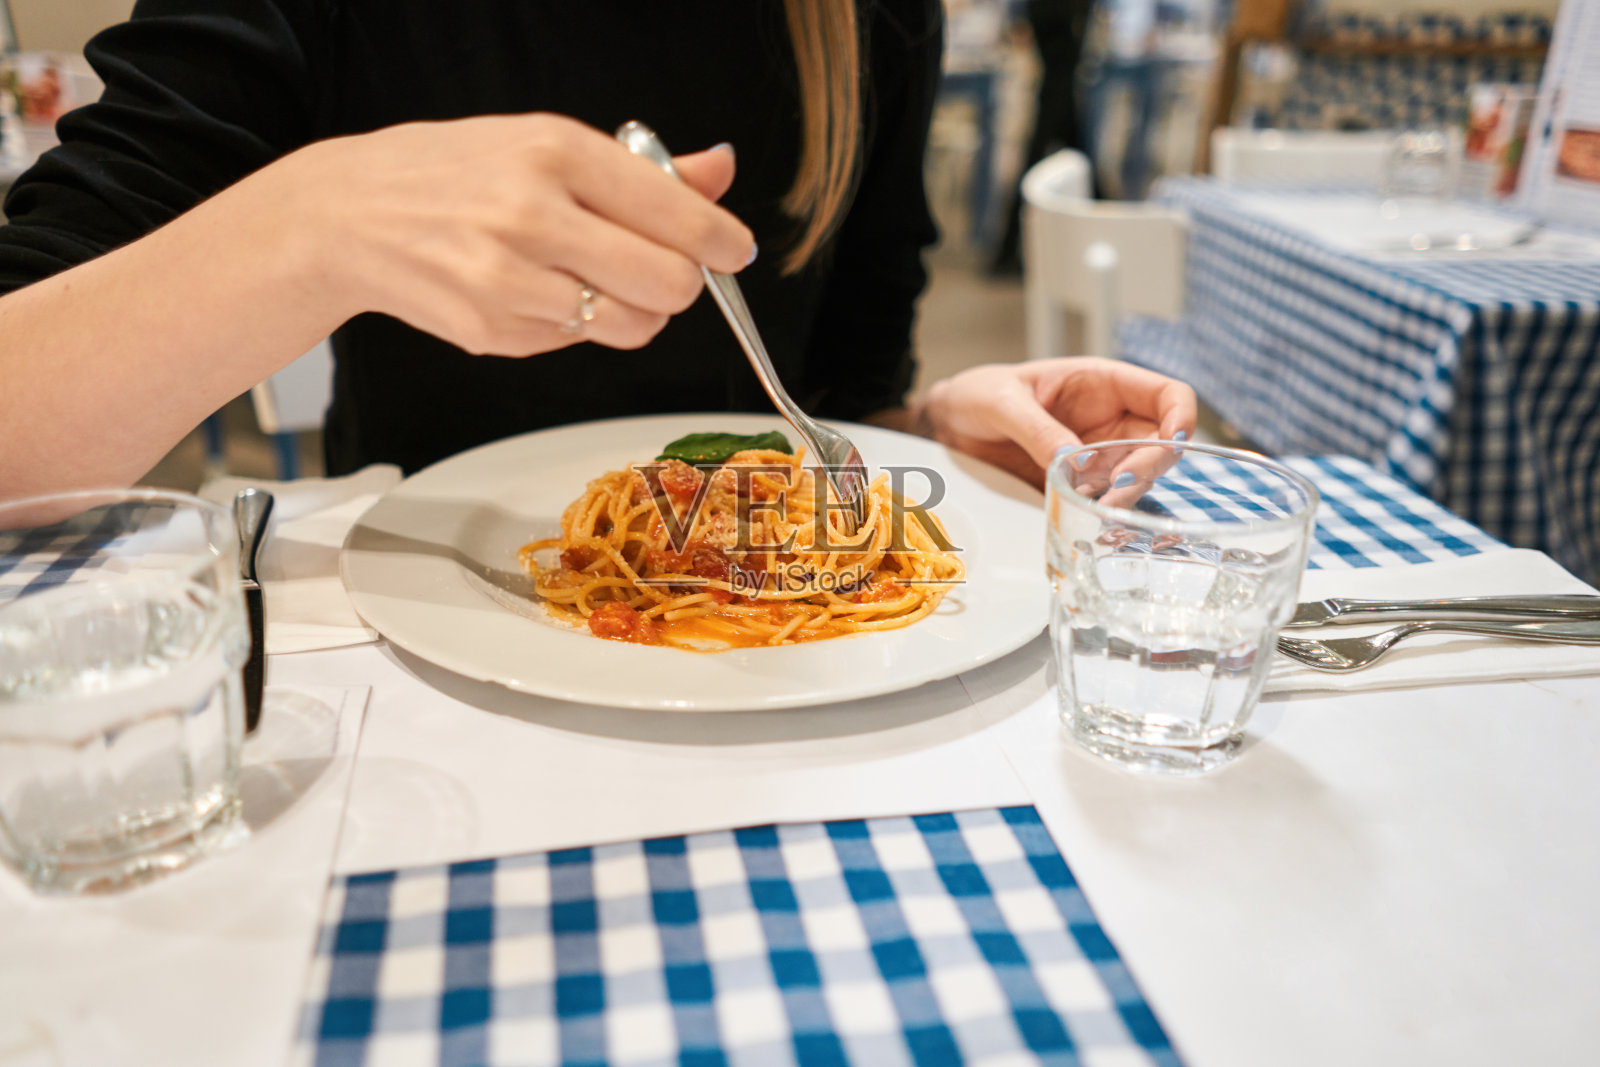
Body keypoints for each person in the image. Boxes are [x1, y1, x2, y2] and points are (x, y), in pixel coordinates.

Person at [0, 0, 1194, 501]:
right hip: (418, 652)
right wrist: (315, 225)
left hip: (782, 678)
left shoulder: (861, 17)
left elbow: (839, 387)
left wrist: (929, 432)